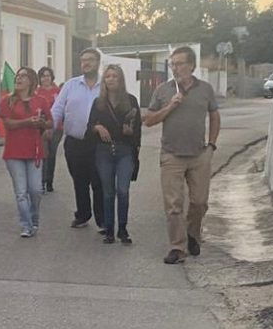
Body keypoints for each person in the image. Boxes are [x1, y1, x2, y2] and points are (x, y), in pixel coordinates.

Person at [144, 45, 221, 264]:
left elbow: (215, 116)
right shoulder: (163, 90)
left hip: (198, 154)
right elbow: (148, 120)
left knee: (199, 202)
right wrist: (170, 106)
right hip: (171, 155)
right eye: (173, 64)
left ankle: (192, 234)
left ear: (192, 65)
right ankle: (177, 247)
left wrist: (211, 145)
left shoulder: (205, 89)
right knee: (173, 205)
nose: (175, 68)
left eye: (179, 64)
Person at [51, 49, 106, 234]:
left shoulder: (106, 86)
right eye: (83, 60)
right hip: (75, 142)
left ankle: (102, 220)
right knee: (79, 180)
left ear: (98, 62)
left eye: (90, 60)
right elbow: (57, 109)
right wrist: (49, 129)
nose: (86, 63)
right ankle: (83, 214)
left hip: (99, 143)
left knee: (99, 181)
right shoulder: (71, 85)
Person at [89, 64, 142, 245]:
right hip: (104, 151)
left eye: (115, 76)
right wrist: (98, 127)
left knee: (123, 190)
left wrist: (131, 133)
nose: (111, 79)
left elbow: (138, 129)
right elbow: (89, 126)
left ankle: (123, 229)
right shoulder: (98, 103)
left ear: (121, 80)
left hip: (124, 150)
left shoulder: (131, 101)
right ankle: (109, 230)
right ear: (104, 80)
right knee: (108, 192)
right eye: (108, 76)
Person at [0, 66, 48, 237]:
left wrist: (42, 123)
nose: (18, 79)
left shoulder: (40, 101)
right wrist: (28, 122)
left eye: (23, 76)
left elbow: (50, 122)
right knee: (21, 192)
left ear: (31, 81)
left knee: (36, 190)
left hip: (34, 151)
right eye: (17, 76)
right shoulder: (7, 101)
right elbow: (8, 124)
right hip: (14, 152)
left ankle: (34, 219)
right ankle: (26, 225)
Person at [35, 65, 61, 191]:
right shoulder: (36, 92)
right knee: (43, 154)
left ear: (52, 77)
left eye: (48, 76)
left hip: (57, 127)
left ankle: (50, 181)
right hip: (42, 127)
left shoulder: (58, 91)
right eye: (43, 76)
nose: (46, 78)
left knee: (52, 154)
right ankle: (42, 181)